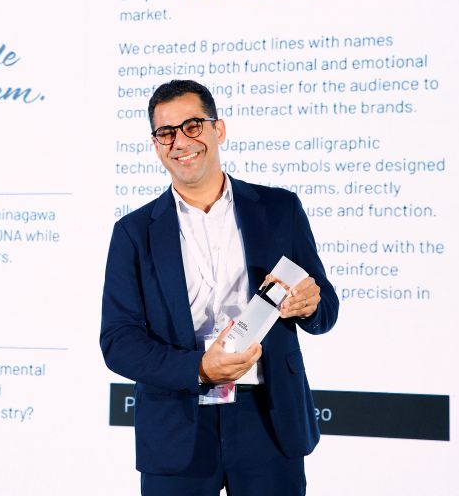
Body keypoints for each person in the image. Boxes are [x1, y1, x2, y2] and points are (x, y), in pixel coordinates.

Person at [100, 79, 338, 495]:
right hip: (177, 422)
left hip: (269, 419)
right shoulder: (133, 233)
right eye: (166, 132)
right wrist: (199, 369)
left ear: (218, 129)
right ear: (155, 145)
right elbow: (118, 341)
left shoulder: (279, 209)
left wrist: (310, 305)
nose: (180, 142)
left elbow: (325, 310)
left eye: (192, 126)